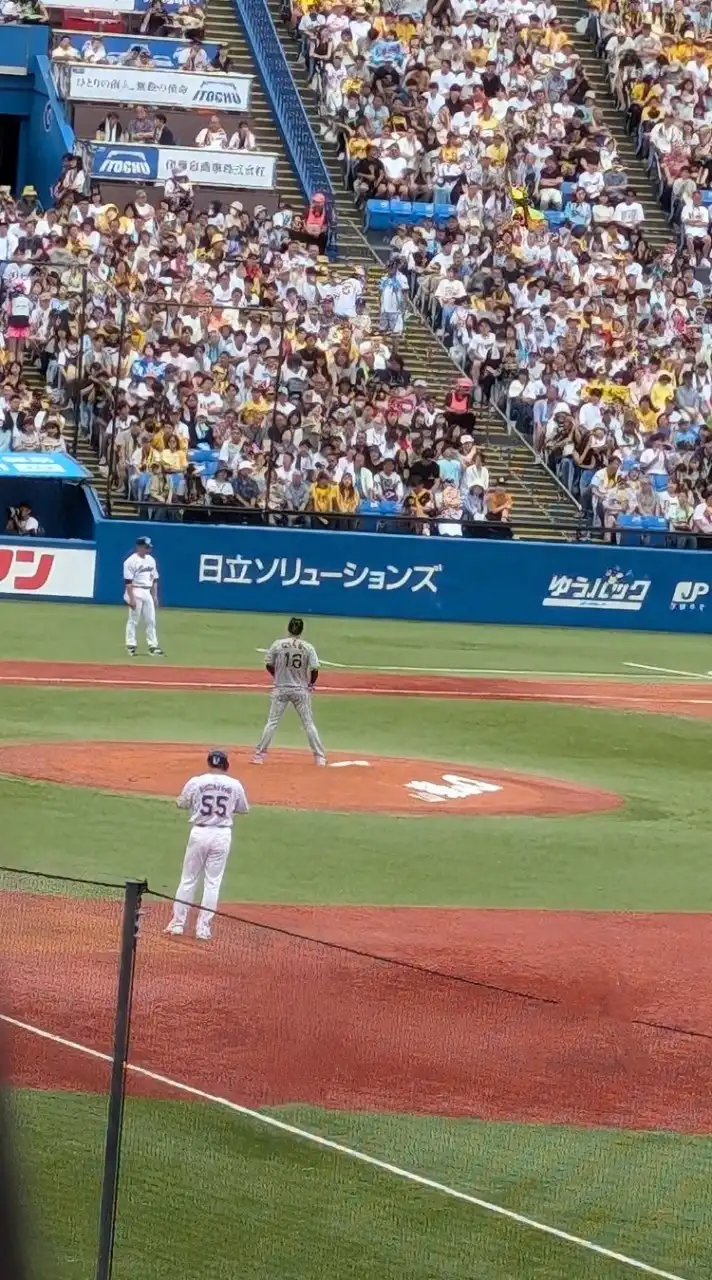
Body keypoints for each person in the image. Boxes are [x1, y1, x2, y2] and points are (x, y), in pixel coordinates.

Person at [165, 749, 249, 941]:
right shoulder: (234, 784)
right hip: (222, 835)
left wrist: (185, 802)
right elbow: (244, 809)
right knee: (213, 883)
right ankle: (203, 928)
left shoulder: (196, 781)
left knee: (188, 879)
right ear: (225, 765)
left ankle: (178, 924)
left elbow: (182, 803)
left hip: (199, 832)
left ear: (209, 763)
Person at [253, 616, 326, 765]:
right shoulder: (308, 647)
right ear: (301, 630)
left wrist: (277, 676)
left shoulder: (277, 645)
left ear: (288, 628)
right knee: (308, 723)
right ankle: (320, 757)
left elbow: (268, 664)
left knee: (272, 722)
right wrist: (310, 684)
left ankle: (259, 756)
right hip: (300, 689)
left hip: (281, 688)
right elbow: (315, 669)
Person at [123, 534, 164, 656]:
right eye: (146, 547)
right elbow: (128, 582)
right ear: (139, 547)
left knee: (151, 620)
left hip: (147, 591)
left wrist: (155, 596)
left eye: (149, 547)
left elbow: (155, 579)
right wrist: (131, 598)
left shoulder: (151, 560)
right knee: (134, 619)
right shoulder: (130, 561)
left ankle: (153, 646)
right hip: (135, 590)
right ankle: (131, 644)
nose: (148, 549)